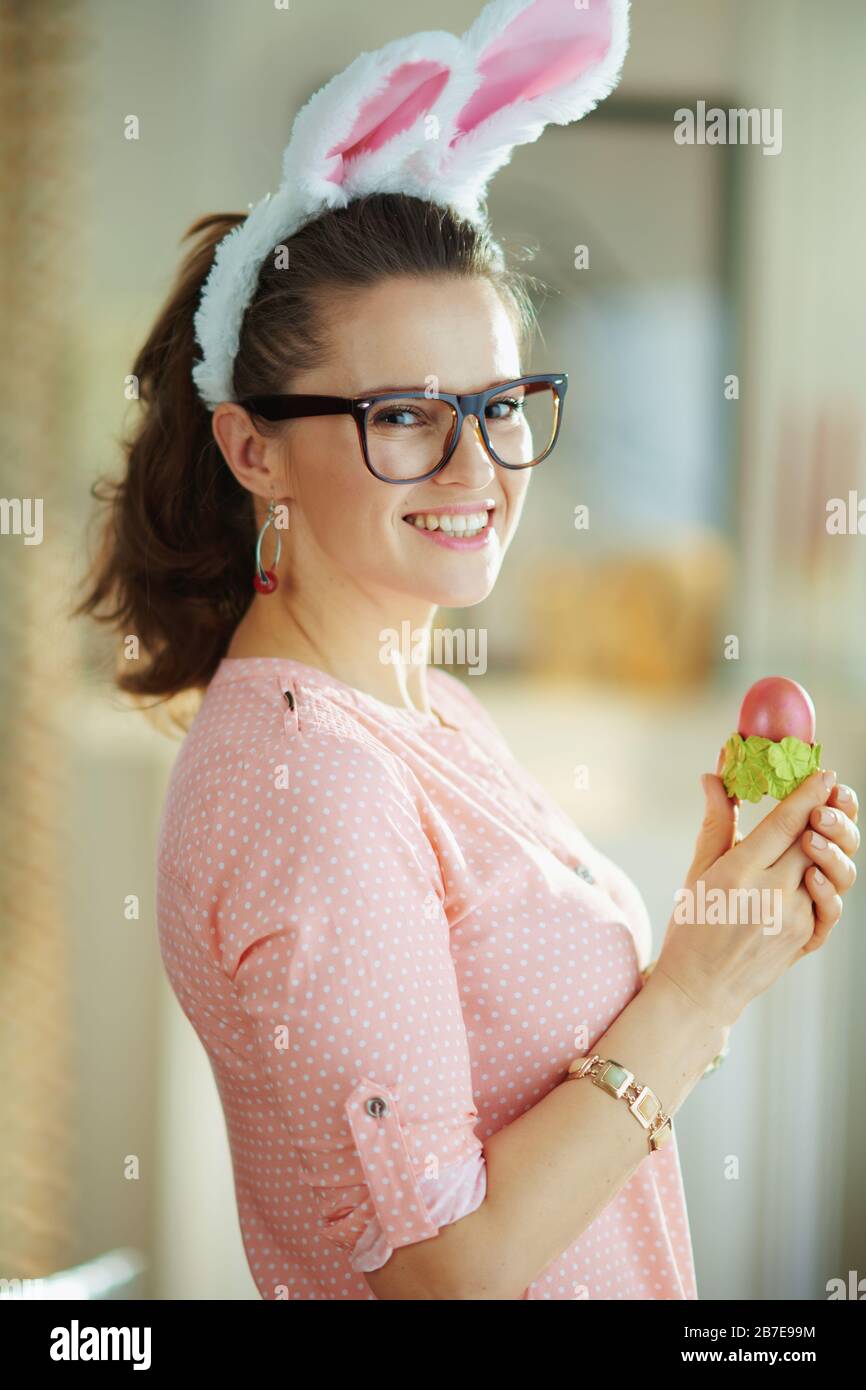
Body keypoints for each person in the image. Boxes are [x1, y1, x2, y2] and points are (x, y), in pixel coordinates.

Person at [76, 0, 859, 1302]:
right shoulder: (307, 782)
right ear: (251, 446)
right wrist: (701, 998)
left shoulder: (424, 706)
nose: (476, 466)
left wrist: (715, 933)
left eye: (499, 406)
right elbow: (446, 1273)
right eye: (403, 414)